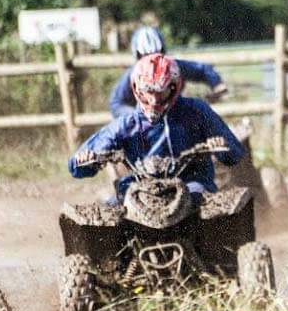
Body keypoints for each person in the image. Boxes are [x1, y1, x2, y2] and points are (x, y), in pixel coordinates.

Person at [71, 53, 245, 201]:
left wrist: (220, 146)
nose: (154, 100)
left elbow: (235, 154)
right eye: (149, 91)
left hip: (193, 187)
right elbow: (77, 166)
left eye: (160, 92)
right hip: (139, 191)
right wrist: (87, 160)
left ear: (173, 87)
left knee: (219, 210)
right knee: (103, 218)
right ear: (137, 89)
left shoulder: (197, 111)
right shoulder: (125, 125)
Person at [109, 26, 228, 118]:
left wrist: (216, 84)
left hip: (176, 118)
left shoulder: (173, 67)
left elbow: (203, 69)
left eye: (157, 55)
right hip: (145, 126)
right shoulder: (132, 74)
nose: (152, 63)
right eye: (146, 57)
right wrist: (135, 115)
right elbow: (116, 104)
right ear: (138, 56)